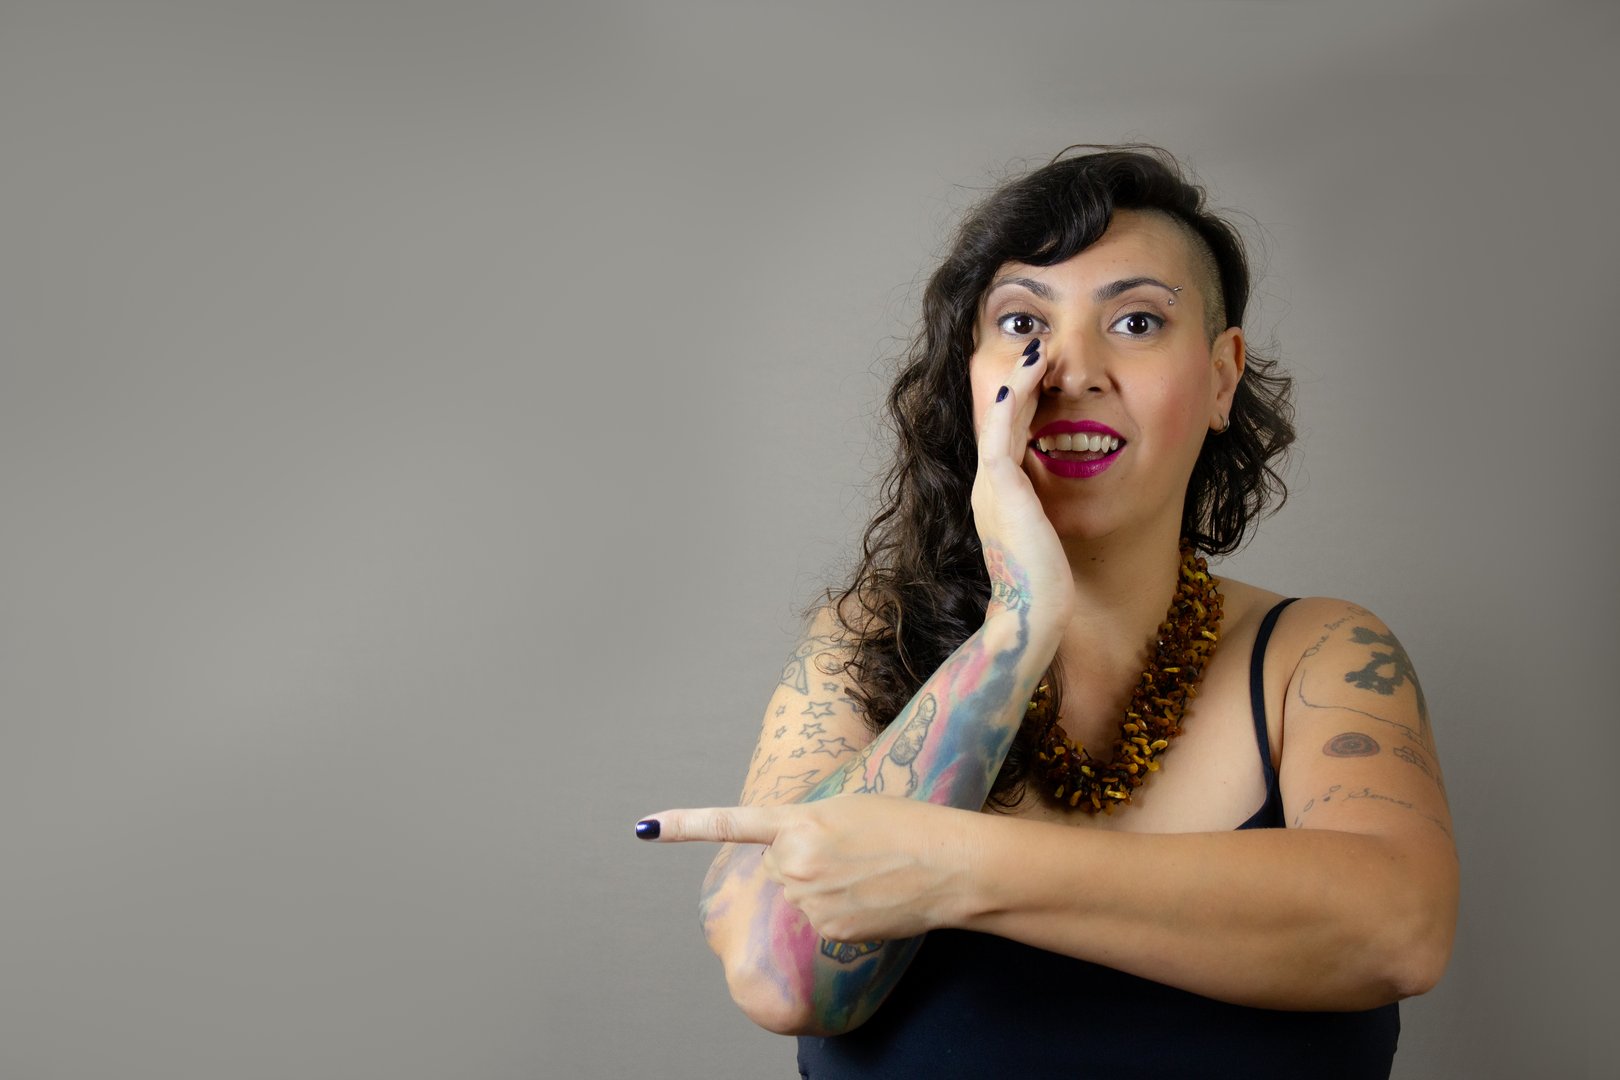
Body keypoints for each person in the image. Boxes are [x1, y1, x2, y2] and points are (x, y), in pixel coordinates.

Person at [635, 146, 1457, 1079]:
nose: (1069, 370)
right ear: (968, 378)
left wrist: (947, 868)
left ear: (1223, 377)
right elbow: (781, 979)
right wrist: (1018, 626)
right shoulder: (865, 645)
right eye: (1023, 323)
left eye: (1138, 321)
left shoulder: (1320, 657)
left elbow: (1399, 931)